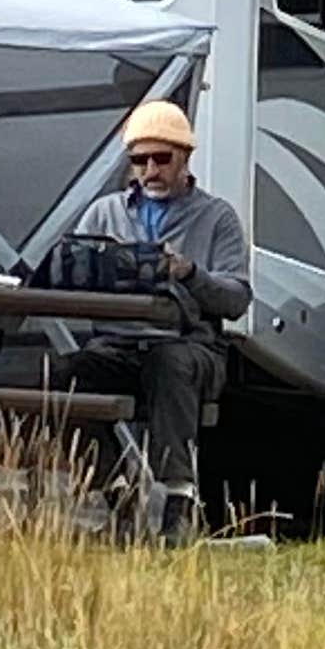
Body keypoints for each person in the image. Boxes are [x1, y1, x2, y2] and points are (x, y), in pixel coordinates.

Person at [49, 97, 248, 537]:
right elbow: (70, 276)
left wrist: (190, 273)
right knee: (61, 375)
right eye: (140, 160)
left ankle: (178, 499)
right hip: (117, 344)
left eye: (162, 158)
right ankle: (114, 490)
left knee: (169, 362)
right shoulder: (104, 212)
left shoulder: (217, 217)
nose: (151, 169)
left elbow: (237, 298)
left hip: (193, 347)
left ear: (185, 159)